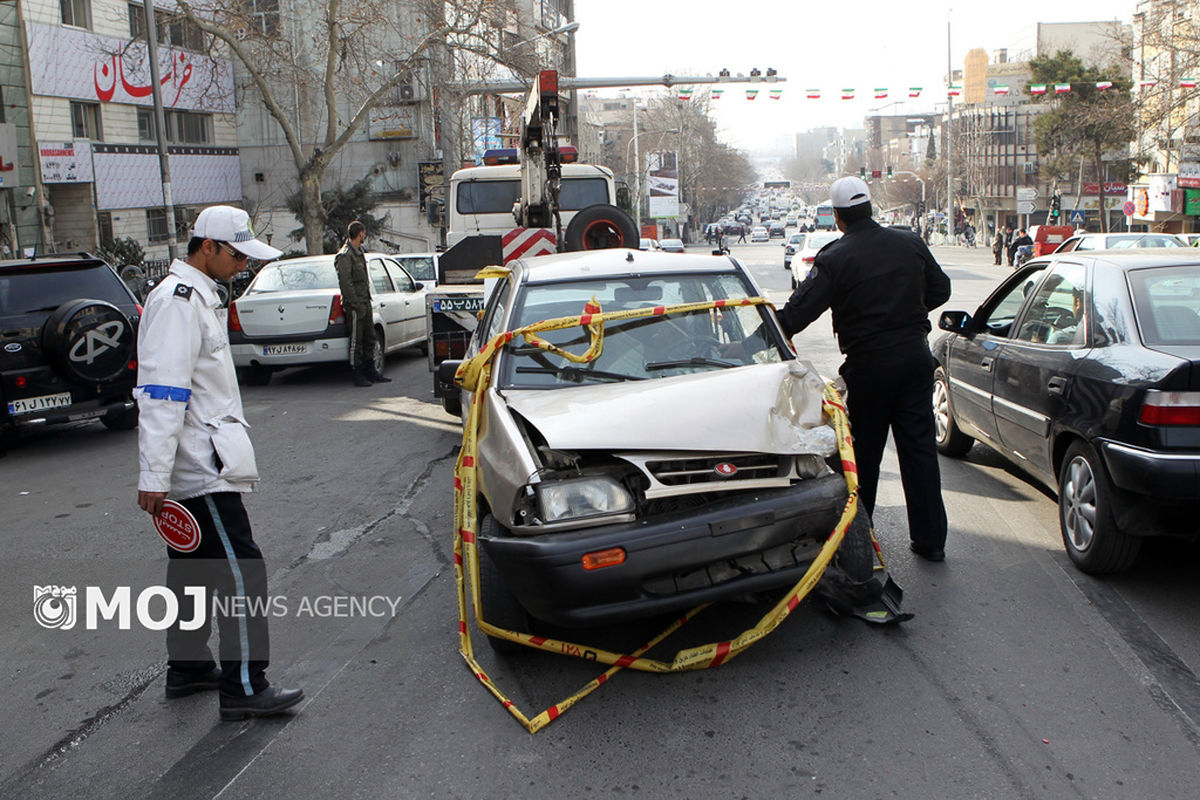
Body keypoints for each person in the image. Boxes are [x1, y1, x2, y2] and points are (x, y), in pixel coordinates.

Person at [135, 205, 304, 719]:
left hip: (200, 458)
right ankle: (246, 686)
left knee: (191, 569)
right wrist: (154, 475)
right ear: (206, 247)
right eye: (237, 255)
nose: (243, 265)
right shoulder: (179, 302)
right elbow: (162, 394)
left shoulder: (197, 297)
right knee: (240, 570)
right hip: (200, 467)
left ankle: (187, 668)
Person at [775, 177, 952, 562]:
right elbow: (941, 291)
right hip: (914, 360)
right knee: (919, 452)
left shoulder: (836, 258)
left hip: (870, 367)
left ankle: (862, 542)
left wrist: (760, 332)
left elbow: (797, 314)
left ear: (838, 217)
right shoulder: (909, 243)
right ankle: (931, 541)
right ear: (870, 207)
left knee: (865, 456)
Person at [335, 220, 391, 386]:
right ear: (360, 234)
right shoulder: (345, 255)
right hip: (355, 304)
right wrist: (354, 303)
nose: (364, 237)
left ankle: (371, 371)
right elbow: (346, 283)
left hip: (364, 301)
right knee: (356, 341)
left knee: (370, 337)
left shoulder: (358, 252)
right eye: (363, 234)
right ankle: (357, 372)